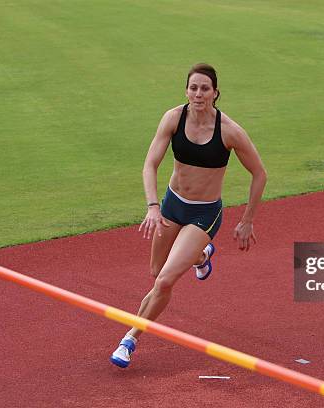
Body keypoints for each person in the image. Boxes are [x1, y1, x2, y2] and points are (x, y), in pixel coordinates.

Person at [110, 63, 267, 368]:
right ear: (186, 90)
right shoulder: (173, 118)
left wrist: (247, 219)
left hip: (204, 214)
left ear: (215, 93)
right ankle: (201, 257)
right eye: (193, 87)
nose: (198, 93)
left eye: (204, 88)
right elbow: (149, 165)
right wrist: (153, 206)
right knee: (156, 272)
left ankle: (129, 339)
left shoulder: (229, 131)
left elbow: (259, 174)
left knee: (165, 281)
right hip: (171, 205)